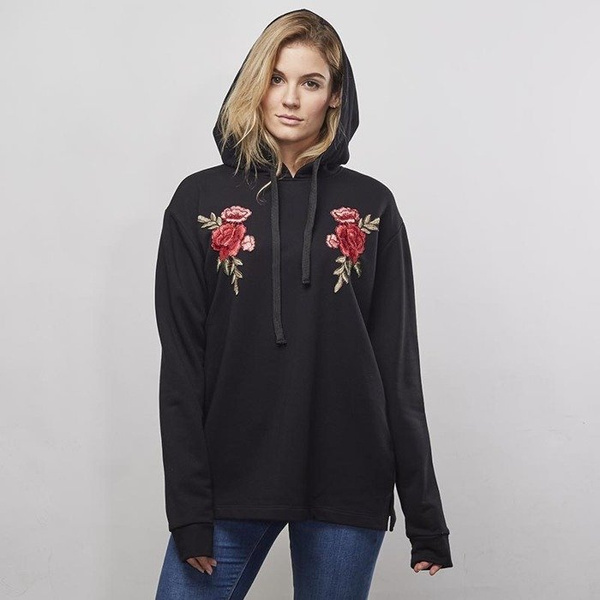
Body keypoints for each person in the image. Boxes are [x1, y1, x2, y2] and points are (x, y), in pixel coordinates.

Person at [154, 8, 453, 599]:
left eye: (310, 82)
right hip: (230, 479)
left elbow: (396, 366)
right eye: (276, 78)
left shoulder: (371, 207)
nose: (290, 98)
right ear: (256, 85)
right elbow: (182, 366)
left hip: (347, 477)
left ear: (335, 96)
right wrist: (188, 509)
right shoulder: (199, 200)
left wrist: (425, 516)